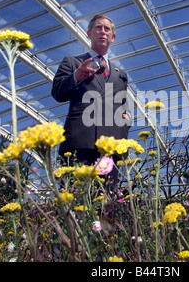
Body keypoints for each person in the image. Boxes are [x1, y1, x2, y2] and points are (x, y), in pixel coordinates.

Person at [51, 14, 131, 190]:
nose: (103, 31)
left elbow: (123, 106)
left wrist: (126, 122)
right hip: (79, 144)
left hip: (112, 148)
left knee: (106, 207)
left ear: (113, 37)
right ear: (89, 33)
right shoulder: (72, 63)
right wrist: (76, 76)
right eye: (98, 27)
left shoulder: (121, 75)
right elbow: (57, 92)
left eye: (107, 29)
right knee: (75, 203)